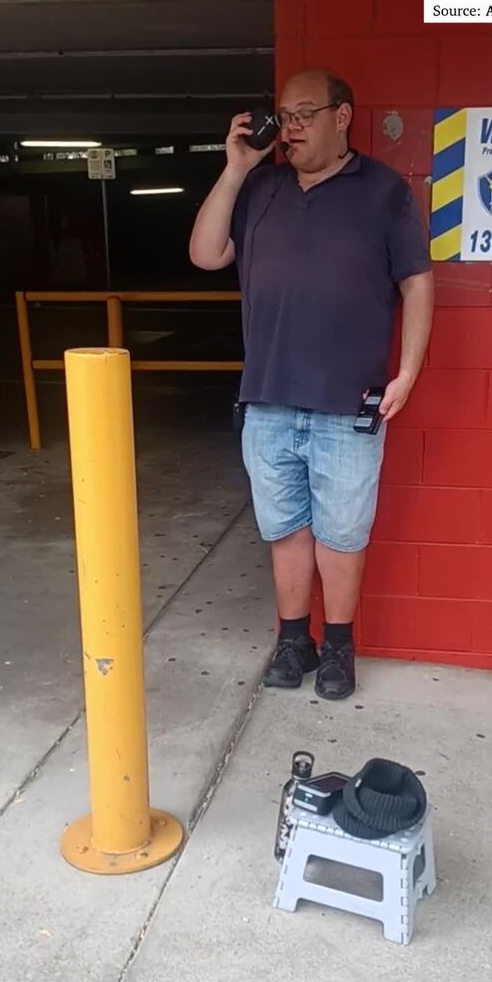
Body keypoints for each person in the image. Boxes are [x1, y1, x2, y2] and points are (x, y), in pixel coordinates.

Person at [189, 68, 434, 700]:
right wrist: (236, 166)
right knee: (285, 532)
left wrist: (407, 371)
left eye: (304, 115)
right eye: (284, 117)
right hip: (267, 401)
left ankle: (340, 649)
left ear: (342, 115)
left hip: (348, 407)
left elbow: (417, 281)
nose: (290, 128)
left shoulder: (382, 190)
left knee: (342, 537)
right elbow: (206, 253)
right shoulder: (260, 187)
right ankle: (293, 640)